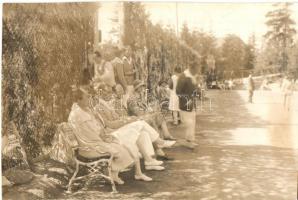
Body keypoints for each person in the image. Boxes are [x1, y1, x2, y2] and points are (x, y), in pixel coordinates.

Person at [68, 86, 165, 184]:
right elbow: (90, 133)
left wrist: (105, 134)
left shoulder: (86, 110)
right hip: (91, 146)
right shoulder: (78, 114)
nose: (90, 99)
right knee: (124, 146)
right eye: (87, 97)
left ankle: (138, 171)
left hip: (99, 139)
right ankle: (118, 173)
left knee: (131, 140)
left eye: (90, 97)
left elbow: (97, 128)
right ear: (78, 100)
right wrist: (104, 137)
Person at [176, 62, 200, 149]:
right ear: (191, 68)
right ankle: (188, 141)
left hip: (191, 104)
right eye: (196, 69)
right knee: (189, 123)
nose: (197, 71)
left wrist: (197, 92)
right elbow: (178, 92)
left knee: (192, 122)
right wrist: (187, 100)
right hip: (184, 105)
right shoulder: (183, 77)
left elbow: (194, 90)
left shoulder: (192, 76)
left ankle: (190, 140)